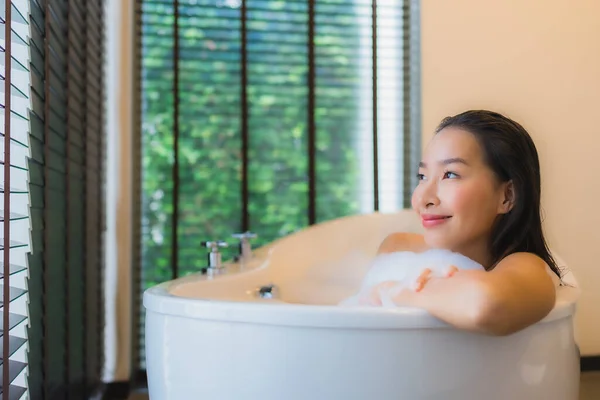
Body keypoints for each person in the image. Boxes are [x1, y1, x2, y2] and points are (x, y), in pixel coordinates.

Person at [371, 109, 562, 336]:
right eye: (422, 176)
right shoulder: (398, 247)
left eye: (450, 174)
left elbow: (487, 306)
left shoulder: (528, 269)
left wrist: (397, 291)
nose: (423, 199)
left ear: (508, 196)